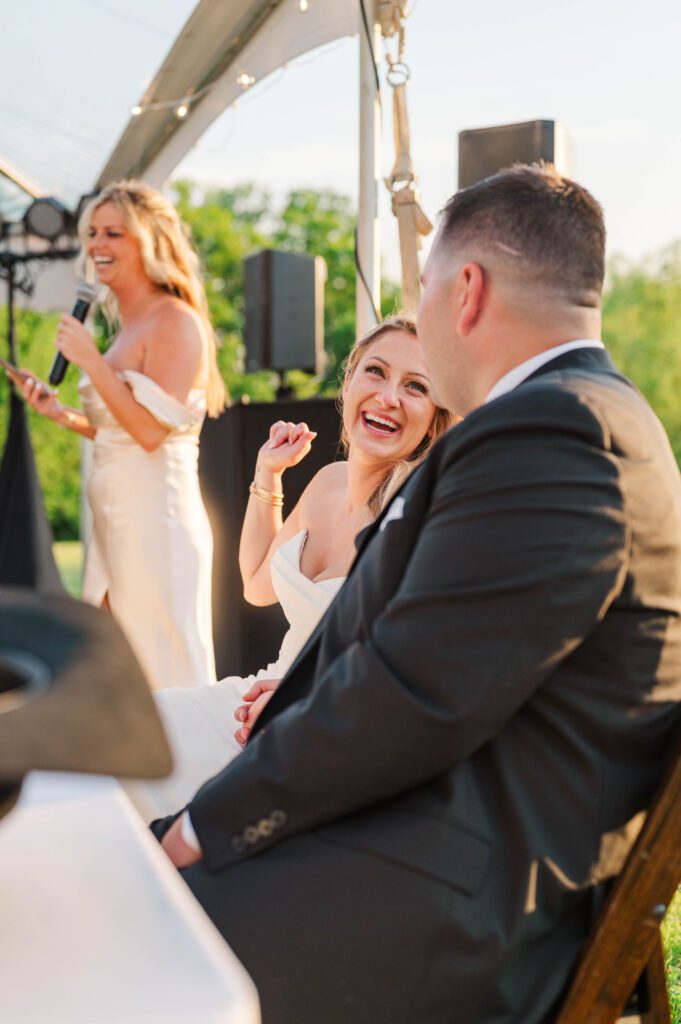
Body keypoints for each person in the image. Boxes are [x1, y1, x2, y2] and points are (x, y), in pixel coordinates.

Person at [152, 164, 681, 1024]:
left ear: (463, 291)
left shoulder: (558, 431)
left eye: (424, 288)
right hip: (417, 852)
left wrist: (206, 825)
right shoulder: (568, 418)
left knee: (88, 925)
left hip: (443, 906)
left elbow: (414, 693)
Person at [124, 315, 455, 821]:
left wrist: (306, 701)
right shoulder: (326, 481)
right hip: (252, 700)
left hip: (316, 730)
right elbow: (257, 585)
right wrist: (268, 474)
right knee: (110, 735)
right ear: (347, 385)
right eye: (376, 372)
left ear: (434, 415)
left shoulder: (417, 514)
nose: (389, 396)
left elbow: (413, 667)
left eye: (415, 386)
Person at [18, 180, 225, 691]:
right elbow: (122, 429)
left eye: (114, 233)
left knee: (165, 670)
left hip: (157, 519)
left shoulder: (175, 321)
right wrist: (64, 416)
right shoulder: (125, 327)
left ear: (149, 241)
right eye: (92, 233)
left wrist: (88, 358)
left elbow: (152, 434)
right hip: (115, 522)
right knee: (120, 666)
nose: (96, 245)